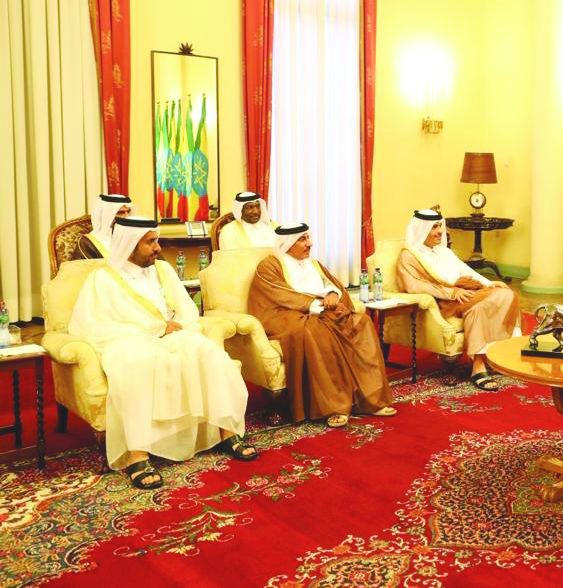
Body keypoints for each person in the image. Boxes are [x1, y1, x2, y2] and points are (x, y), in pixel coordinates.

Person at [69, 216, 257, 490]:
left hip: (171, 334)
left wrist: (179, 329)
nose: (157, 248)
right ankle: (137, 454)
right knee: (138, 364)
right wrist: (154, 327)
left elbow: (187, 310)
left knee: (208, 353)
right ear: (130, 245)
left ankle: (227, 432)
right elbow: (89, 324)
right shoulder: (102, 278)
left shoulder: (164, 270)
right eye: (150, 242)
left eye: (156, 240)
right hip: (126, 341)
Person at [247, 223, 395, 427]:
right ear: (288, 243)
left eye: (308, 238)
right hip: (286, 315)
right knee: (319, 332)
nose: (310, 244)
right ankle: (334, 406)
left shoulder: (313, 263)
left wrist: (333, 294)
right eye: (303, 239)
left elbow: (331, 284)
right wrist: (315, 305)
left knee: (362, 323)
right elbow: (278, 295)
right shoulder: (270, 265)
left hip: (322, 311)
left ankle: (369, 400)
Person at [396, 209, 520, 391]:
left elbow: (465, 271)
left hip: (465, 293)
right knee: (486, 304)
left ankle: (494, 358)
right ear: (421, 230)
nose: (440, 231)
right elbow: (414, 286)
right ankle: (478, 367)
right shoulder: (409, 256)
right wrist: (451, 293)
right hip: (446, 301)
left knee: (508, 295)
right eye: (433, 227)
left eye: (440, 226)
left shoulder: (443, 251)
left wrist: (489, 283)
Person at [72, 194, 135, 260]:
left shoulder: (133, 236)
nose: (127, 216)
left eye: (128, 211)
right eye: (120, 212)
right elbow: (84, 268)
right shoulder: (88, 243)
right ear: (106, 215)